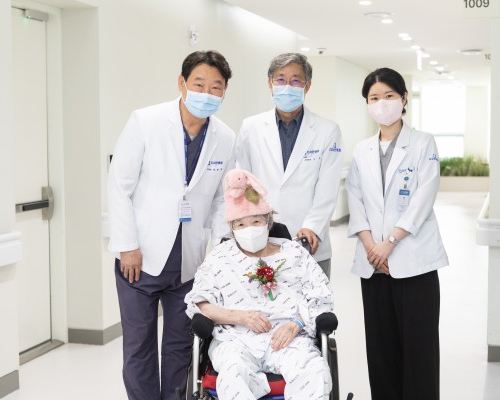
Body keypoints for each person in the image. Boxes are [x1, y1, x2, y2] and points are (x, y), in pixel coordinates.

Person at [107, 50, 235, 400]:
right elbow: (119, 185)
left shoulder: (225, 137)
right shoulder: (145, 121)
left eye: (216, 87)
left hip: (190, 262)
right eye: (199, 84)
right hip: (140, 258)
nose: (207, 93)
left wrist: (220, 250)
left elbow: (222, 199)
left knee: (182, 346)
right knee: (139, 346)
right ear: (181, 83)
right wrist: (127, 245)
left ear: (224, 92)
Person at [185, 168, 334, 400]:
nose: (249, 229)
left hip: (289, 338)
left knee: (315, 372)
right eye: (240, 225)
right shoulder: (220, 257)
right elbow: (201, 304)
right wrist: (241, 317)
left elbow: (321, 296)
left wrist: (296, 323)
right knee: (233, 375)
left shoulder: (295, 253)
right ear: (232, 228)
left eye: (255, 221)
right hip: (236, 340)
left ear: (268, 221)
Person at [346, 67, 449, 400]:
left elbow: (423, 197)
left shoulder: (422, 143)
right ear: (367, 104)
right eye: (374, 98)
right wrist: (372, 248)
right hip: (374, 264)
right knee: (381, 351)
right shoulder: (362, 150)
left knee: (419, 350)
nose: (382, 103)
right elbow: (355, 200)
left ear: (404, 99)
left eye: (389, 96)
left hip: (413, 261)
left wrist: (389, 243)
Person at [235, 52, 343, 279]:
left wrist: (313, 226)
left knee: (313, 300)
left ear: (307, 86)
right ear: (270, 83)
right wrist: (254, 223)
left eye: (295, 81)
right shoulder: (251, 127)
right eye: (281, 79)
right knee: (263, 300)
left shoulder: (327, 130)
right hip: (261, 239)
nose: (287, 86)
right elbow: (244, 182)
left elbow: (327, 189)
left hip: (309, 241)